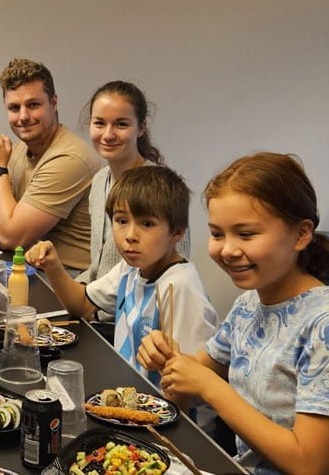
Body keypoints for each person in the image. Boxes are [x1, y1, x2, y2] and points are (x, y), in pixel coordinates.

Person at [138, 153, 329, 474]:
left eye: (246, 234)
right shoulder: (247, 305)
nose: (227, 250)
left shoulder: (321, 325)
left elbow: (309, 463)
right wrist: (169, 359)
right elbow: (196, 373)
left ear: (301, 234)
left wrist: (211, 388)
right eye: (217, 234)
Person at [26, 165, 217, 385]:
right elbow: (82, 305)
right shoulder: (131, 267)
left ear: (177, 232)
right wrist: (53, 266)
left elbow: (193, 380)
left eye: (147, 224)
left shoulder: (180, 287)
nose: (130, 236)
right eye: (121, 221)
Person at [0, 58, 100, 271]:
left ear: (53, 103)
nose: (23, 117)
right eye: (14, 108)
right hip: (30, 267)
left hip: (68, 278)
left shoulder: (69, 158)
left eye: (33, 105)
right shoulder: (19, 150)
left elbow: (10, 238)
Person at [76, 81, 189, 283]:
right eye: (99, 123)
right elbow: (98, 270)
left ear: (141, 128)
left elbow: (176, 269)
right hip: (99, 298)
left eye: (121, 124)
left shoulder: (159, 188)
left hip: (139, 302)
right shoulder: (100, 180)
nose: (108, 135)